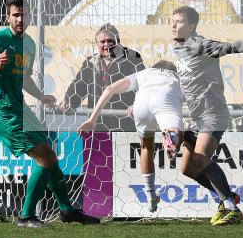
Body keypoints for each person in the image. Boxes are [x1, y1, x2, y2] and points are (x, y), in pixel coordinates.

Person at [0, 0, 99, 228]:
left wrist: (41, 96)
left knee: (51, 156)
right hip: (1, 109)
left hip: (21, 107)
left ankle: (67, 211)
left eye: (24, 15)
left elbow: (24, 77)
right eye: (15, 15)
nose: (20, 19)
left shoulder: (29, 44)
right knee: (44, 157)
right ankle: (26, 217)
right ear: (7, 17)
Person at [170, 5, 243, 226]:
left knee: (201, 159)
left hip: (213, 113)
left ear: (191, 26)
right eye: (172, 21)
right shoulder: (177, 48)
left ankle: (231, 207)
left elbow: (228, 47)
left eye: (179, 21)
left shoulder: (200, 44)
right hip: (194, 116)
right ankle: (225, 198)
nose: (173, 25)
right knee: (188, 168)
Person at [77, 60, 184, 214]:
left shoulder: (143, 74)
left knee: (146, 147)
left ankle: (151, 197)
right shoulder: (176, 77)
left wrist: (92, 119)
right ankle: (171, 137)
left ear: (153, 68)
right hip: (164, 101)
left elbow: (110, 88)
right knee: (174, 130)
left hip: (141, 105)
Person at [57, 23, 145, 131]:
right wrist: (69, 99)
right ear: (97, 44)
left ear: (118, 41)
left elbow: (143, 84)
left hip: (125, 121)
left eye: (110, 41)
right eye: (102, 42)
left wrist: (136, 105)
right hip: (97, 123)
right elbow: (80, 84)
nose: (106, 44)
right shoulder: (91, 63)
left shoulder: (132, 58)